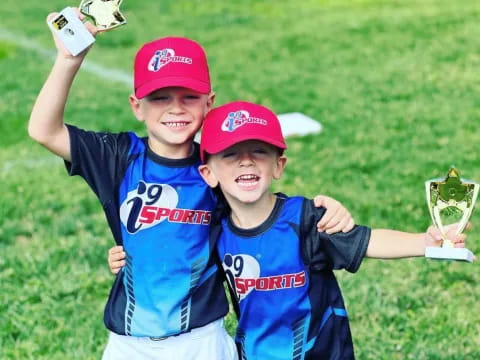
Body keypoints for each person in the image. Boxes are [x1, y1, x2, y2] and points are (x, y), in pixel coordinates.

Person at [28, 9, 356, 360]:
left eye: (188, 97)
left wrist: (327, 212)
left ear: (209, 103)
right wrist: (68, 60)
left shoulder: (216, 167)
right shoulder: (118, 158)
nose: (175, 109)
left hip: (201, 339)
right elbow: (43, 130)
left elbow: (271, 214)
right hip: (128, 342)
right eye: (160, 98)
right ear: (137, 106)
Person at [110, 100, 469, 359]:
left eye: (258, 152)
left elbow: (367, 240)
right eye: (231, 155)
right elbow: (175, 252)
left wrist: (425, 242)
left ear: (278, 165)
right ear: (209, 174)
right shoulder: (217, 230)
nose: (246, 161)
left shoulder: (306, 219)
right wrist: (126, 256)